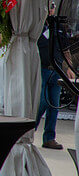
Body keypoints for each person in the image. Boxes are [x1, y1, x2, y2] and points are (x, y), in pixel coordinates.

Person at [36, 12, 71, 150]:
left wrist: (69, 67)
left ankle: (49, 138)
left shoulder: (58, 28)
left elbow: (66, 49)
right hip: (42, 69)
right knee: (43, 102)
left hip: (56, 71)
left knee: (54, 105)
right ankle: (29, 131)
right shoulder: (37, 27)